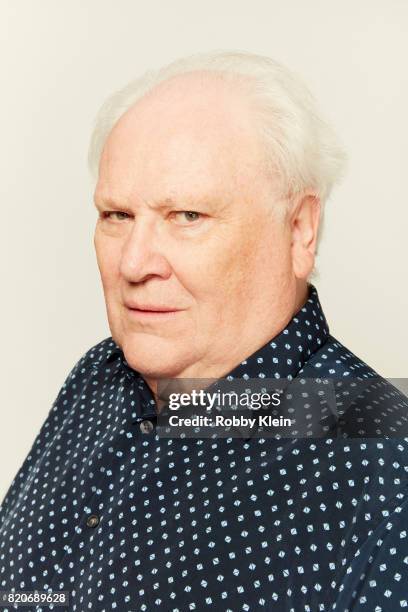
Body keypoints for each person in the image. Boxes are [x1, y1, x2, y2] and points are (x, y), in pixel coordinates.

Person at [1, 51, 407, 611]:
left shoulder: (386, 477)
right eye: (117, 216)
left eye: (187, 216)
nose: (134, 263)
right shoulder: (97, 376)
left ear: (299, 231)